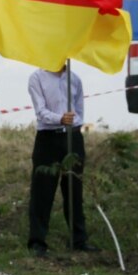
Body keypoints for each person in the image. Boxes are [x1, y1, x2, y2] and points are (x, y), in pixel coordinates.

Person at [26, 65, 97, 256]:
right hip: (48, 138)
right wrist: (60, 118)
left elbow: (79, 109)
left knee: (74, 189)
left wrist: (73, 124)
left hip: (72, 138)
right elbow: (40, 111)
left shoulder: (74, 79)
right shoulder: (37, 78)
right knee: (42, 191)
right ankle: (37, 242)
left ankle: (79, 240)